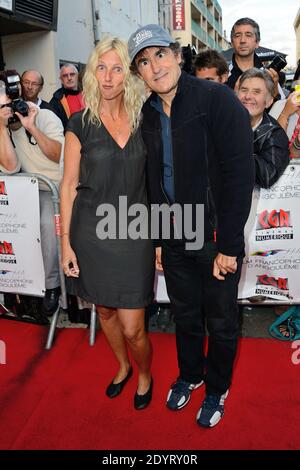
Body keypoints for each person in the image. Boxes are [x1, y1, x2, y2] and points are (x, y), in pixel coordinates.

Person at [128, 24, 254, 428]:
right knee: (184, 315)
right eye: (144, 62)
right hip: (175, 235)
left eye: (159, 55)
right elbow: (154, 179)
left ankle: (217, 386)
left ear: (178, 56)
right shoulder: (146, 112)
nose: (154, 66)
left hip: (216, 236)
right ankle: (191, 374)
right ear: (140, 74)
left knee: (220, 320)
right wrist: (160, 238)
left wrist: (230, 246)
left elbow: (238, 176)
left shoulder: (216, 99)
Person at [60, 37, 155, 410]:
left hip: (134, 233)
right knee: (105, 311)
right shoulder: (79, 122)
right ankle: (122, 367)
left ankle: (144, 373)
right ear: (91, 72)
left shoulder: (143, 118)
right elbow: (68, 185)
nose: (109, 76)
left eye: (117, 68)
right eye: (102, 67)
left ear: (127, 74)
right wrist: (67, 243)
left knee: (134, 326)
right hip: (90, 234)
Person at [0, 69, 64, 315]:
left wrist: (32, 127)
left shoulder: (46, 116)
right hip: (25, 191)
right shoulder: (5, 126)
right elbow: (11, 166)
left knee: (47, 222)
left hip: (54, 188)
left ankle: (52, 285)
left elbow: (59, 155)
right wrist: (3, 128)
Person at [237, 68, 289, 188]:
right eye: (244, 90)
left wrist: (232, 146)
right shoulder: (220, 123)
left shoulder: (275, 133)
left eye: (256, 92)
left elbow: (267, 176)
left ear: (269, 101)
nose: (248, 96)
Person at [227, 17, 280, 98]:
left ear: (257, 43)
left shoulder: (268, 75)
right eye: (237, 36)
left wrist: (275, 88)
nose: (242, 40)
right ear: (232, 43)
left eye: (248, 35)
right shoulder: (222, 75)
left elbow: (280, 108)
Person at [50, 63, 84, 129]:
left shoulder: (88, 95)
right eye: (65, 76)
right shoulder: (56, 101)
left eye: (72, 74)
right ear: (61, 80)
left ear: (77, 76)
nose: (69, 78)